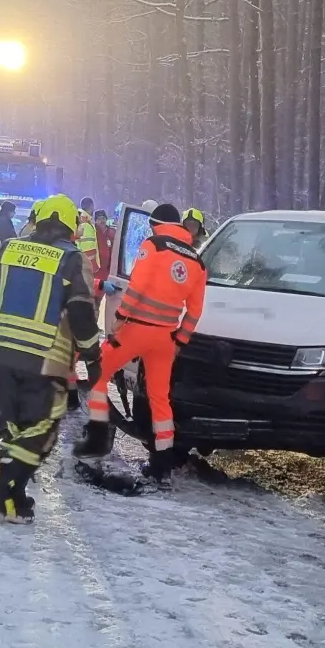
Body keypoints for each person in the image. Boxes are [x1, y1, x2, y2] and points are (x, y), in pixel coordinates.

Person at [0, 195, 100, 524]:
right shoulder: (72, 258)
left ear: (37, 219)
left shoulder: (11, 247)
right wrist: (92, 355)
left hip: (1, 354)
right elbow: (81, 312)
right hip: (42, 359)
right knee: (42, 428)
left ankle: (15, 499)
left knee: (19, 428)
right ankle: (5, 494)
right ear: (71, 227)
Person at [80, 203, 208, 482]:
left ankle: (97, 440)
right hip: (165, 339)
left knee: (98, 374)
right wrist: (179, 342)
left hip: (136, 329)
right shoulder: (197, 262)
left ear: (155, 224)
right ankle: (162, 463)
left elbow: (137, 286)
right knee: (160, 399)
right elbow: (195, 311)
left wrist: (120, 319)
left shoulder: (154, 245)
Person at [76, 197, 101, 274]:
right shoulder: (86, 225)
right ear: (91, 207)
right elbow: (88, 251)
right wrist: (93, 268)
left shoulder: (79, 219)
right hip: (85, 269)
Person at [93, 209, 115, 295]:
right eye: (99, 219)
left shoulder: (112, 232)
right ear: (95, 221)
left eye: (103, 218)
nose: (101, 221)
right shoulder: (93, 232)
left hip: (108, 270)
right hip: (96, 270)